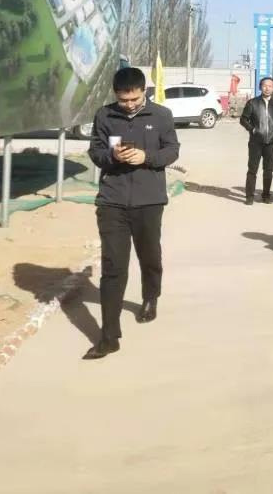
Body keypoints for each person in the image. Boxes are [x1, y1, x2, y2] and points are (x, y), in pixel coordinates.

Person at [84, 67, 180, 359]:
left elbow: (172, 150)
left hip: (149, 201)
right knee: (113, 267)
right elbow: (95, 152)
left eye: (134, 99)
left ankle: (150, 296)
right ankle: (109, 337)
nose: (128, 105)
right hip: (112, 201)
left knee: (149, 256)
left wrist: (146, 157)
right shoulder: (104, 115)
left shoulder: (161, 115)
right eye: (122, 100)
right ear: (115, 94)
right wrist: (111, 156)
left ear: (144, 92)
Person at [240, 76, 273, 205]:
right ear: (260, 87)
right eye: (265, 85)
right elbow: (243, 119)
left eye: (270, 86)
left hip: (271, 142)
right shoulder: (252, 103)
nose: (267, 88)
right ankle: (249, 196)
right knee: (252, 169)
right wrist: (252, 129)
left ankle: (266, 195)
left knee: (268, 170)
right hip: (256, 142)